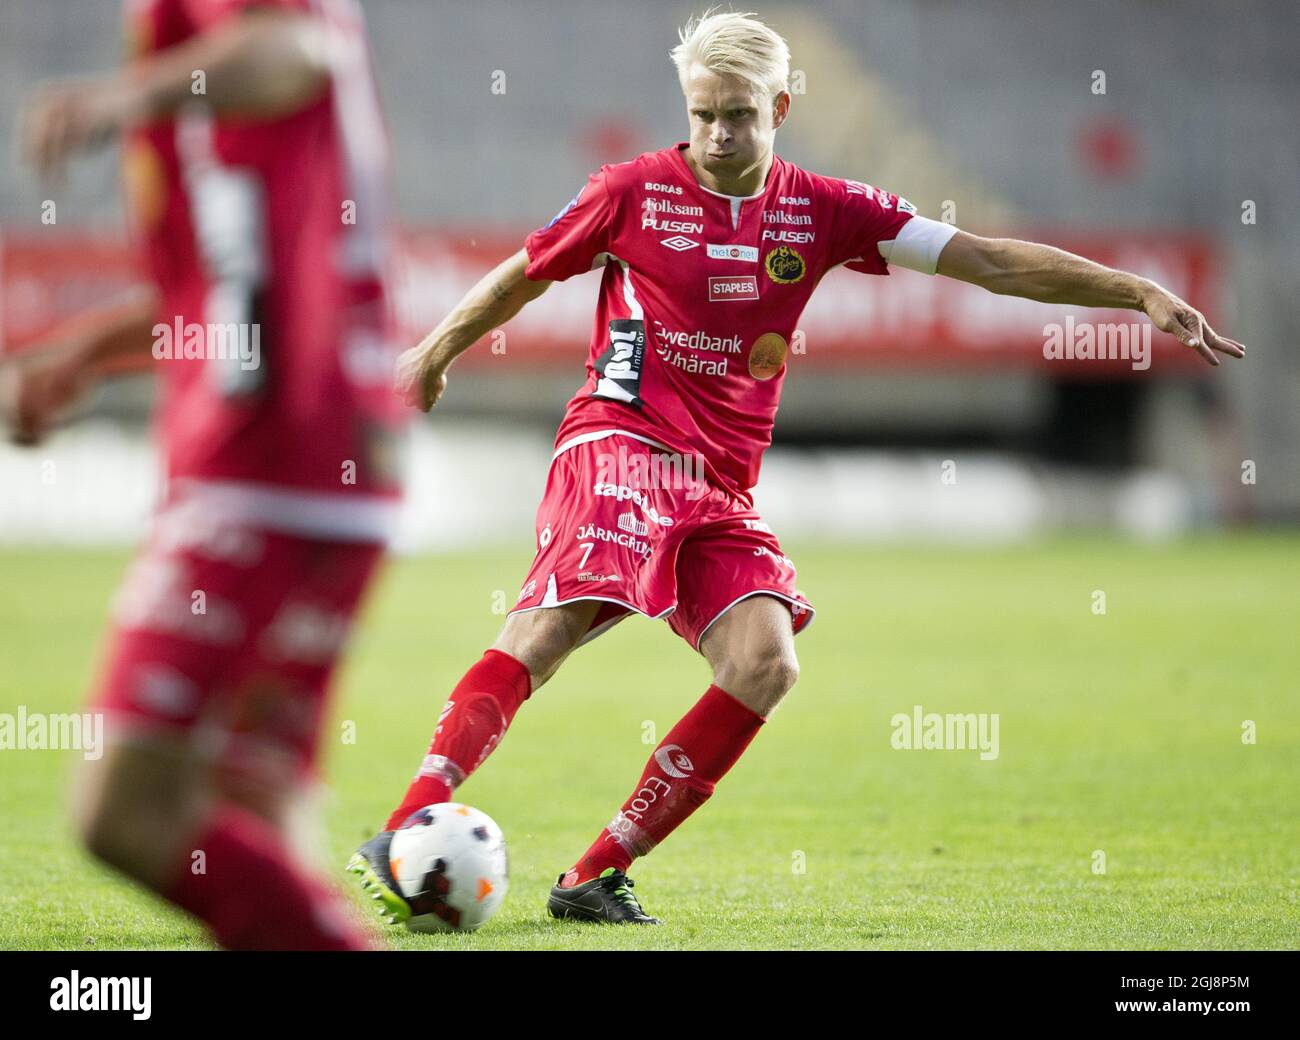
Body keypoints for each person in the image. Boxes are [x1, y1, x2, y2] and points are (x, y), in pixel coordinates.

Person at [351, 9, 1244, 926]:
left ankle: (597, 871)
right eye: (702, 114)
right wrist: (432, 355)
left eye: (737, 114)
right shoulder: (630, 191)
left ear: (779, 106)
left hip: (716, 482)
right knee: (557, 624)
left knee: (765, 662)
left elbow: (987, 264)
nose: (717, 134)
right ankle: (404, 827)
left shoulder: (825, 209)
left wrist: (1134, 290)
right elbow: (526, 272)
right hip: (616, 439)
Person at [5, 0, 404, 949]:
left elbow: (299, 47)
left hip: (270, 461)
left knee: (126, 811)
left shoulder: (211, 42)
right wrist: (82, 352)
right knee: (250, 813)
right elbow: (226, 289)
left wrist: (128, 95)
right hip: (301, 459)